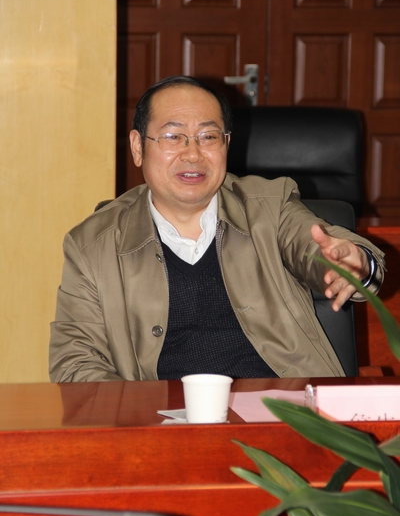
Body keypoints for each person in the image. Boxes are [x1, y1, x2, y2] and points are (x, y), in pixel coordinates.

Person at [49, 75, 385, 382]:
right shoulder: (93, 245)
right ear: (138, 147)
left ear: (226, 144)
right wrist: (139, 417)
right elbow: (75, 361)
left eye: (208, 137)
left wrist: (355, 264)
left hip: (284, 411)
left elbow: (316, 245)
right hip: (160, 420)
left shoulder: (270, 207)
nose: (193, 154)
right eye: (173, 136)